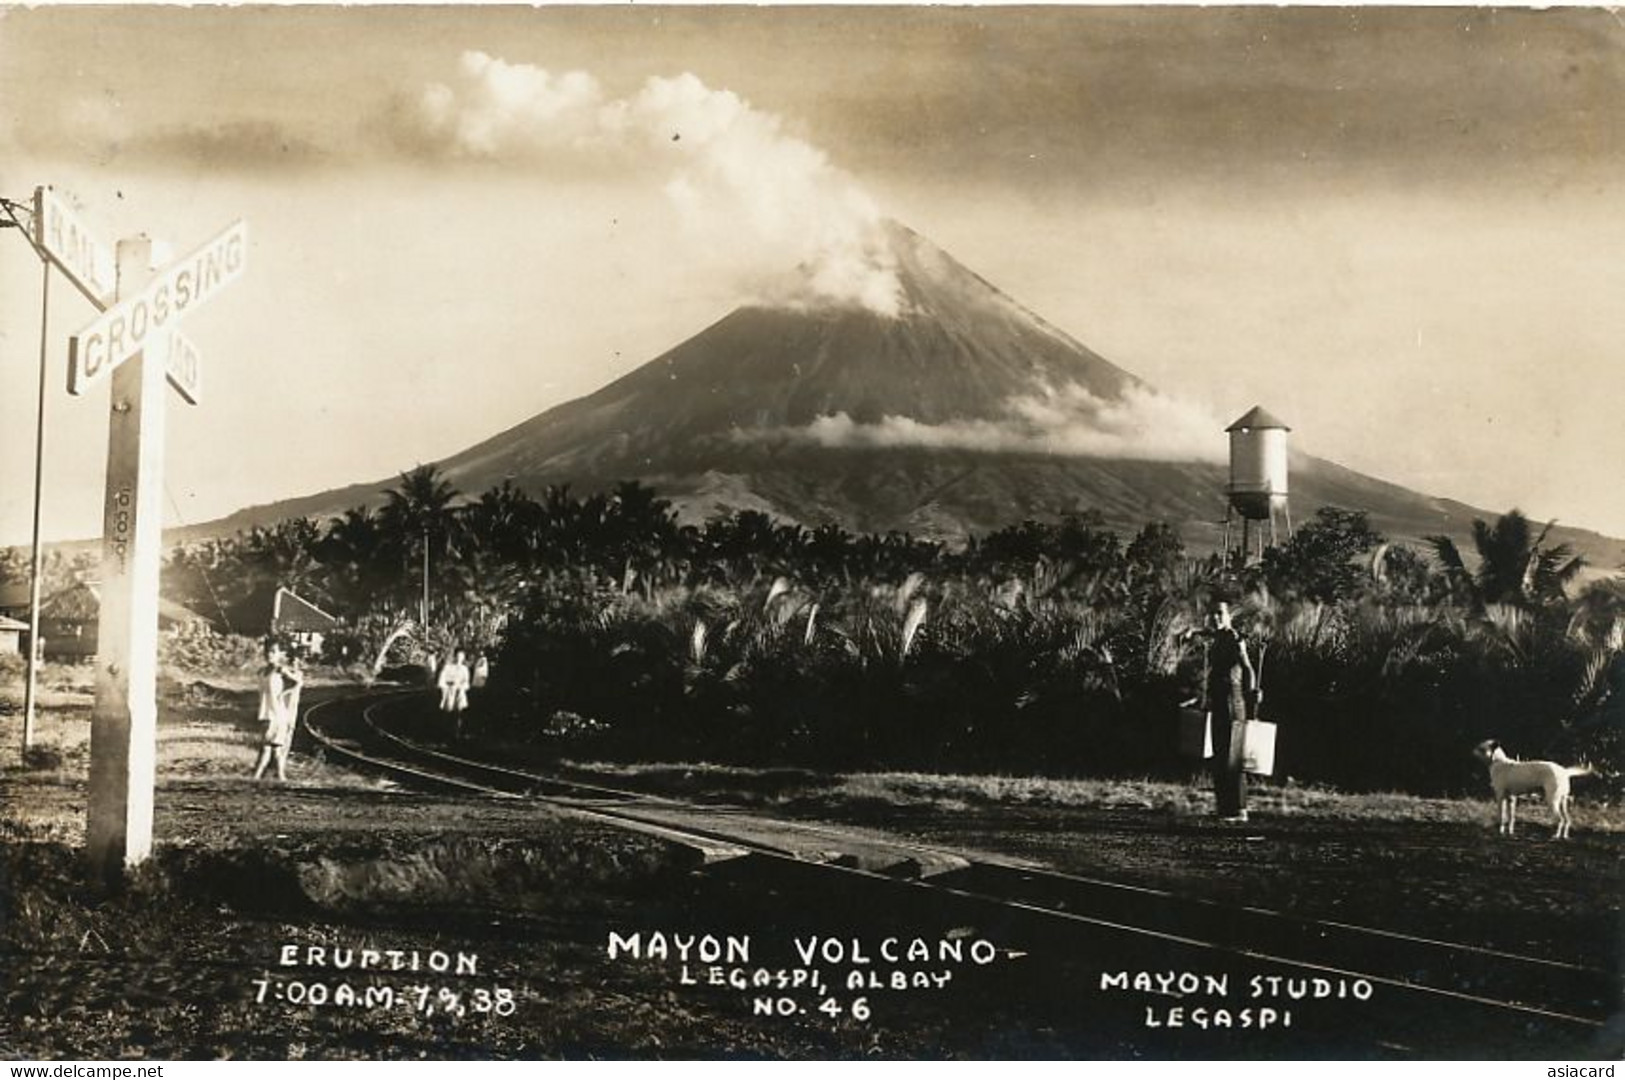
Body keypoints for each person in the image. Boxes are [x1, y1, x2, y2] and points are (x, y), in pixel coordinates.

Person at [1195, 601, 1259, 822]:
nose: (1215, 617)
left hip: (1233, 701)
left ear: (1228, 615)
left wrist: (1252, 692)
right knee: (1220, 756)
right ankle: (1225, 808)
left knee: (1233, 758)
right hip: (1219, 701)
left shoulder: (1233, 638)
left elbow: (1247, 667)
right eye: (1212, 613)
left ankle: (1239, 809)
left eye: (1220, 613)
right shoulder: (1217, 639)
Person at [252, 642, 304, 782]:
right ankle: (278, 777)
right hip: (265, 712)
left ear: (279, 654)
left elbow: (298, 682)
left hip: (277, 713)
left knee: (270, 747)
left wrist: (284, 694)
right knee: (271, 748)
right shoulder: (262, 671)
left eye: (273, 652)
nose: (269, 655)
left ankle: (260, 776)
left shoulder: (280, 670)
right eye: (267, 652)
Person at [437, 648, 472, 740]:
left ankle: (456, 734)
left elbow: (467, 683)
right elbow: (441, 679)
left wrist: (461, 687)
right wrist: (445, 687)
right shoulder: (448, 667)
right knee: (447, 712)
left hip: (459, 692)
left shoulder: (465, 669)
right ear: (454, 656)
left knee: (458, 713)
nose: (459, 658)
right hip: (448, 692)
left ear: (463, 657)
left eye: (461, 656)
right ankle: (444, 733)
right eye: (457, 656)